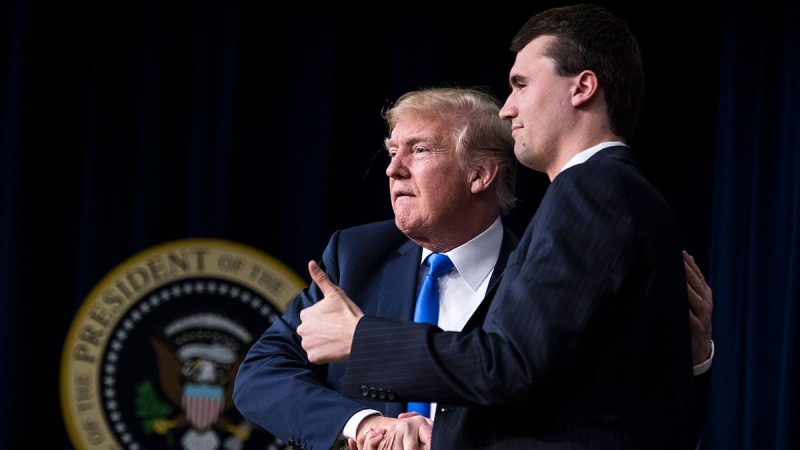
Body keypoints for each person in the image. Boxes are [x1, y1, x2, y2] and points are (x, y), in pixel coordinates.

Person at [297, 5, 710, 449]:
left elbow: (510, 365)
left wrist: (362, 341)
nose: (508, 110)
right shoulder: (622, 191)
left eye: (521, 85)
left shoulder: (592, 189)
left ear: (582, 87)